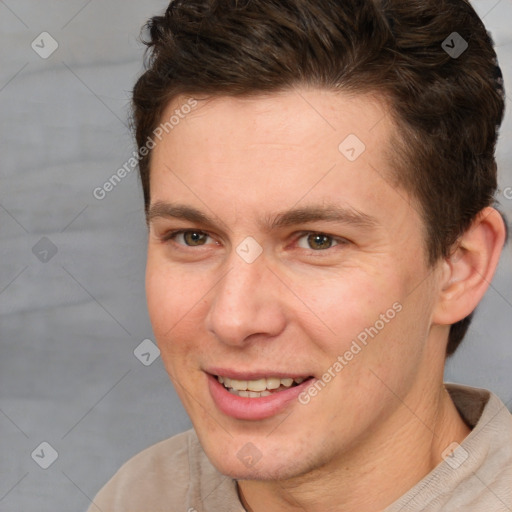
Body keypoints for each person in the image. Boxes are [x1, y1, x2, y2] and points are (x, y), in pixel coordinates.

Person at [88, 0, 511, 510]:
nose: (233, 318)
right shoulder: (137, 496)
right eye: (193, 237)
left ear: (459, 268)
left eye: (317, 241)